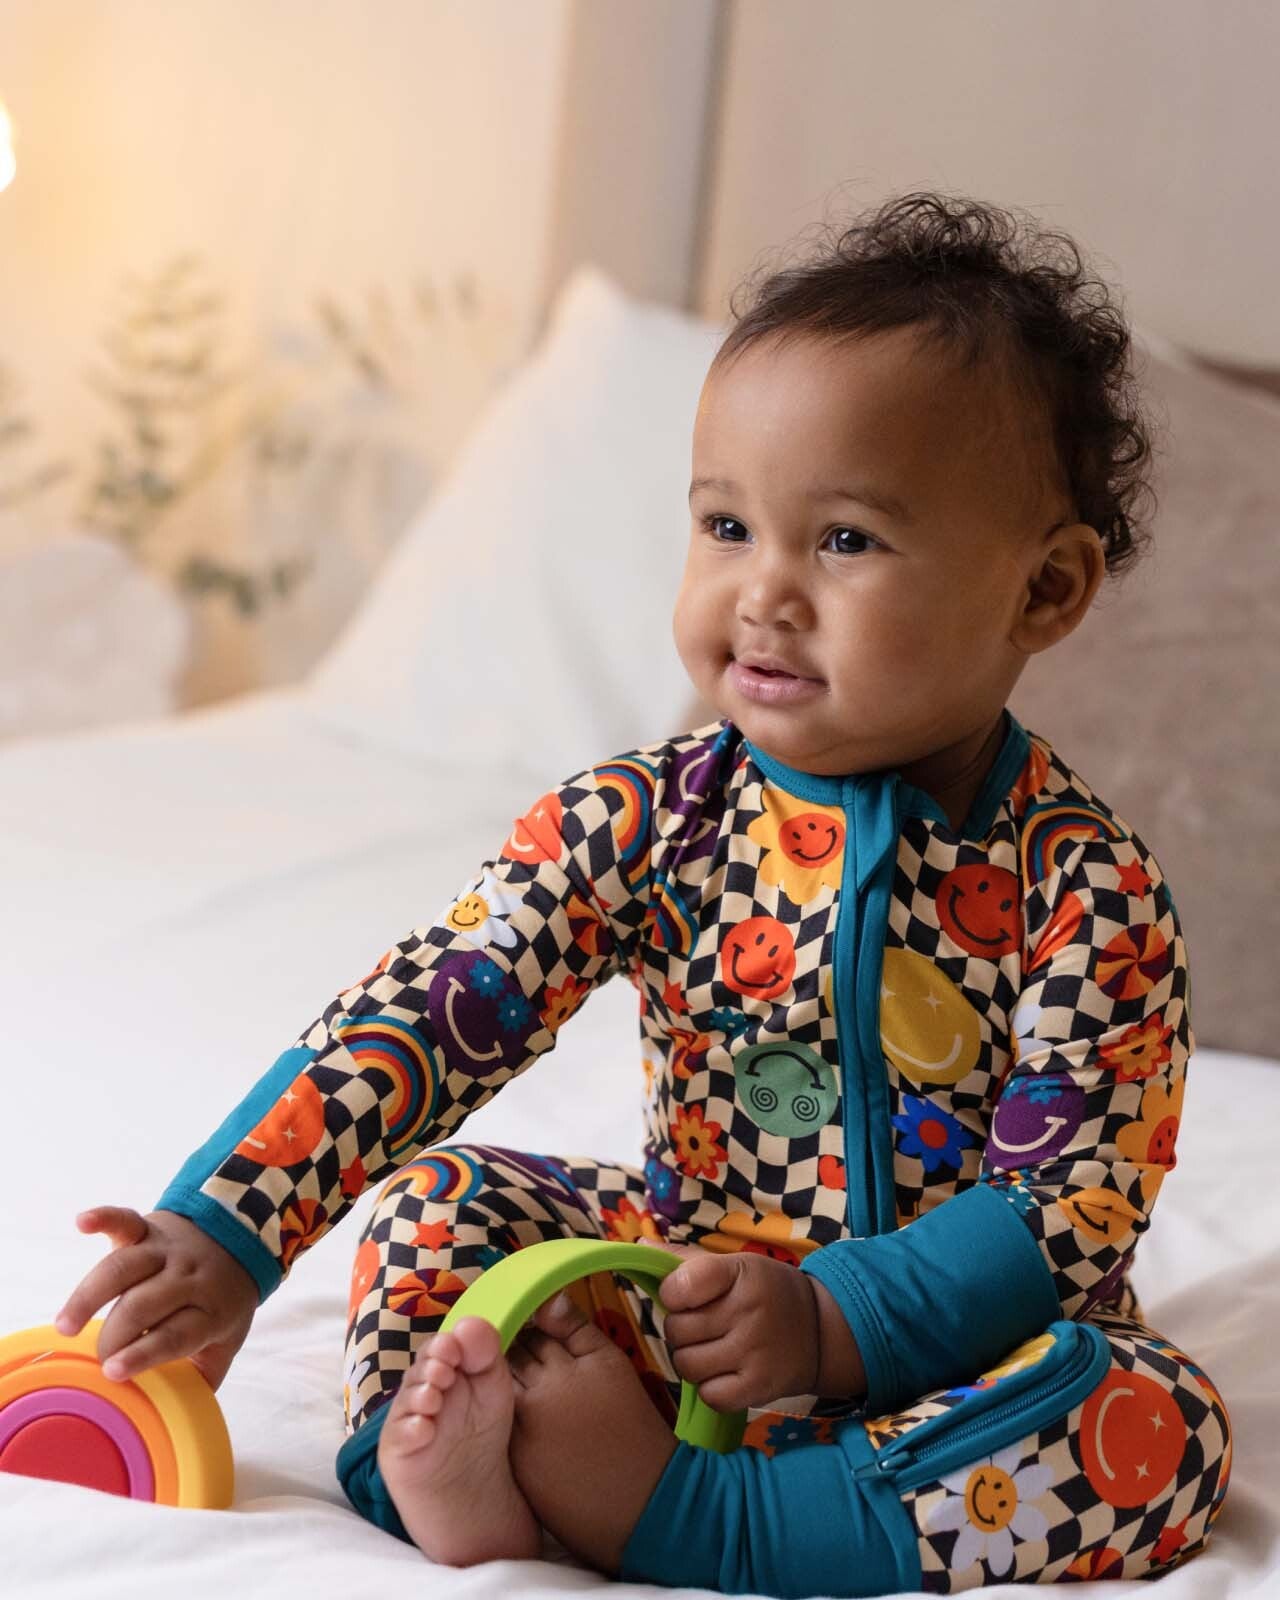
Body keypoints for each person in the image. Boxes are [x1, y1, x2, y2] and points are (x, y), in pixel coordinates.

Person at [54, 192, 1231, 1596]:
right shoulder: (646, 819)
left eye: (845, 541)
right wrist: (231, 1226)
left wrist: (833, 1323)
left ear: (1043, 591)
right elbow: (435, 1008)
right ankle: (444, 1459)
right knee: (444, 1203)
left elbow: (1073, 1198)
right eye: (727, 525)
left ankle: (715, 1518)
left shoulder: (1087, 886)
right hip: (680, 1292)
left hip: (953, 1363)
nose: (765, 592)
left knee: (1156, 1422)